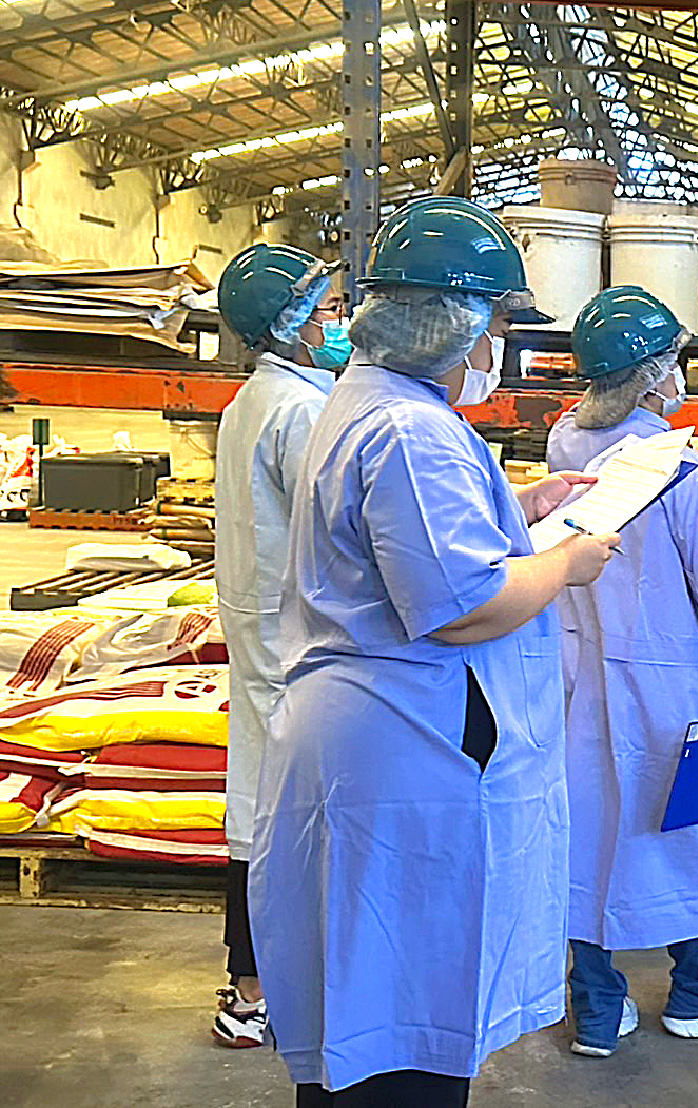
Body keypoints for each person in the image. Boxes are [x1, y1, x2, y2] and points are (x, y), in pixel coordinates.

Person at [249, 196, 620, 1106]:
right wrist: (567, 562)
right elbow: (463, 606)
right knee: (402, 1008)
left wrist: (517, 506)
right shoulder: (411, 429)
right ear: (450, 324)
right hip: (400, 740)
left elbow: (402, 534)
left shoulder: (372, 401)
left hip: (375, 731)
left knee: (372, 995)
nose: (496, 346)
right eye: (494, 325)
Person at [548, 286, 698, 1058]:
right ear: (654, 376)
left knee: (584, 836)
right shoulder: (676, 471)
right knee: (683, 827)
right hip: (667, 687)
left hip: (574, 679)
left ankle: (595, 1008)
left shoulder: (563, 448)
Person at [211, 243, 349, 1049]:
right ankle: (255, 987)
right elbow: (340, 517)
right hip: (288, 637)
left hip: (263, 624)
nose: (340, 321)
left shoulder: (256, 399)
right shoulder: (297, 410)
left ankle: (255, 981)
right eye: (327, 311)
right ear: (289, 325)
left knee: (261, 803)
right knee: (277, 814)